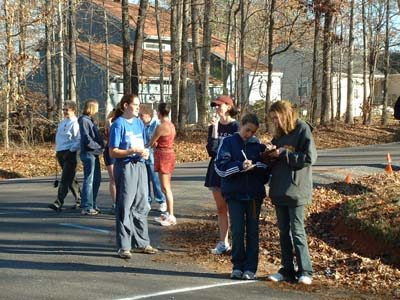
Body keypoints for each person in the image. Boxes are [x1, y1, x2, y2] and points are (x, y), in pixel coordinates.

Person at [263, 100, 317, 285]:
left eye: (276, 118)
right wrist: (269, 153)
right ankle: (287, 270)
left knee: (297, 231)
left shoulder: (302, 129)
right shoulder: (278, 134)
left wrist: (283, 154)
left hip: (296, 190)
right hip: (279, 189)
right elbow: (274, 158)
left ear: (285, 115)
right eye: (272, 119)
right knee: (283, 232)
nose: (275, 122)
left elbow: (309, 158)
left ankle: (306, 271)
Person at [214, 113, 269, 280]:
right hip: (235, 195)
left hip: (253, 196)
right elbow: (220, 168)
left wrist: (256, 166)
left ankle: (251, 268)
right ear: (241, 125)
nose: (249, 135)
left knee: (252, 231)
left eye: (253, 132)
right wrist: (239, 166)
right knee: (237, 231)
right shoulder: (228, 142)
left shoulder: (257, 145)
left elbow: (266, 169)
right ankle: (237, 265)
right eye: (247, 130)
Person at [109, 94, 158, 258]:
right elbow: (113, 151)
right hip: (125, 167)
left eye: (138, 105)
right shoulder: (118, 124)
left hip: (140, 165)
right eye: (135, 105)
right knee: (125, 206)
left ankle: (142, 243)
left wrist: (144, 152)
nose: (138, 107)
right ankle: (124, 246)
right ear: (125, 105)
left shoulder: (138, 123)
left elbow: (143, 144)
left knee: (142, 204)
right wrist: (131, 151)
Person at [204, 95, 239, 255]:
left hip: (230, 170)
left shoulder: (236, 126)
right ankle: (223, 242)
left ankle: (237, 242)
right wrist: (215, 129)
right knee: (220, 208)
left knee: (233, 207)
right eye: (215, 106)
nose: (217, 108)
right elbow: (212, 150)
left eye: (219, 105)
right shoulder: (214, 126)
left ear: (228, 107)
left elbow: (232, 150)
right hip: (216, 170)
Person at [48, 100, 81, 212]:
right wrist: (57, 150)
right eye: (64, 109)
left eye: (67, 109)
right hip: (61, 152)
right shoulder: (63, 122)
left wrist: (72, 150)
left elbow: (79, 139)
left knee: (65, 179)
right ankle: (80, 200)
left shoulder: (75, 123)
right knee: (70, 178)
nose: (65, 111)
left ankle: (58, 202)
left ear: (73, 110)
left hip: (70, 153)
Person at [148, 102, 177, 227]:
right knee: (165, 186)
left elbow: (151, 142)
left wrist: (154, 144)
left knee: (166, 188)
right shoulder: (171, 125)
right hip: (168, 154)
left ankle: (171, 215)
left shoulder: (161, 126)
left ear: (159, 113)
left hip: (163, 156)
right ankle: (167, 213)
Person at [78, 99, 104, 216]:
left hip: (95, 153)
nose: (98, 110)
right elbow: (86, 138)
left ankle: (92, 203)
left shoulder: (91, 120)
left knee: (96, 179)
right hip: (89, 153)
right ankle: (86, 206)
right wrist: (97, 146)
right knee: (89, 179)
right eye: (96, 107)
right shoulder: (84, 120)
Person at [139, 104, 167, 213]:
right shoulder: (140, 125)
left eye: (142, 115)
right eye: (139, 115)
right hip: (142, 155)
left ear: (148, 114)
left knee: (156, 180)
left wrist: (155, 144)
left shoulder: (156, 125)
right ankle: (147, 201)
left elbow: (159, 140)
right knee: (144, 181)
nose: (140, 117)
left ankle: (162, 201)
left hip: (153, 156)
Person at [104, 109, 117, 214]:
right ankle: (115, 203)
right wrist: (109, 123)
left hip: (121, 151)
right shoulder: (111, 121)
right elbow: (111, 134)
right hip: (110, 150)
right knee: (113, 178)